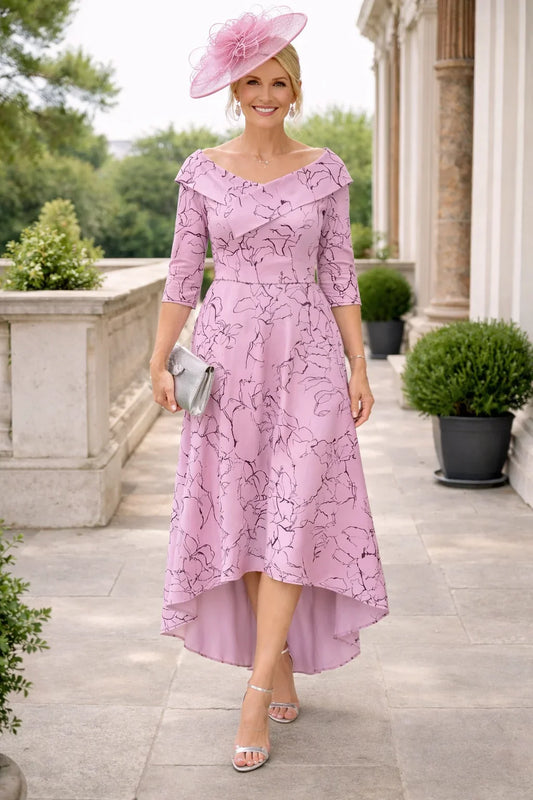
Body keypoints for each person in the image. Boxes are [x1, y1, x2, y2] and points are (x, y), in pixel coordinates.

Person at [149, 7, 389, 773]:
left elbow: (341, 274)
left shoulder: (324, 168)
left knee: (294, 507)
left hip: (310, 356)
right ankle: (275, 659)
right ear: (233, 89)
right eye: (251, 81)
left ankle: (255, 690)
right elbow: (183, 274)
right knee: (247, 510)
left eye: (277, 81)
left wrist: (359, 365)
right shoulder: (202, 169)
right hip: (225, 358)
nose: (264, 92)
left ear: (295, 89)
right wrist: (160, 360)